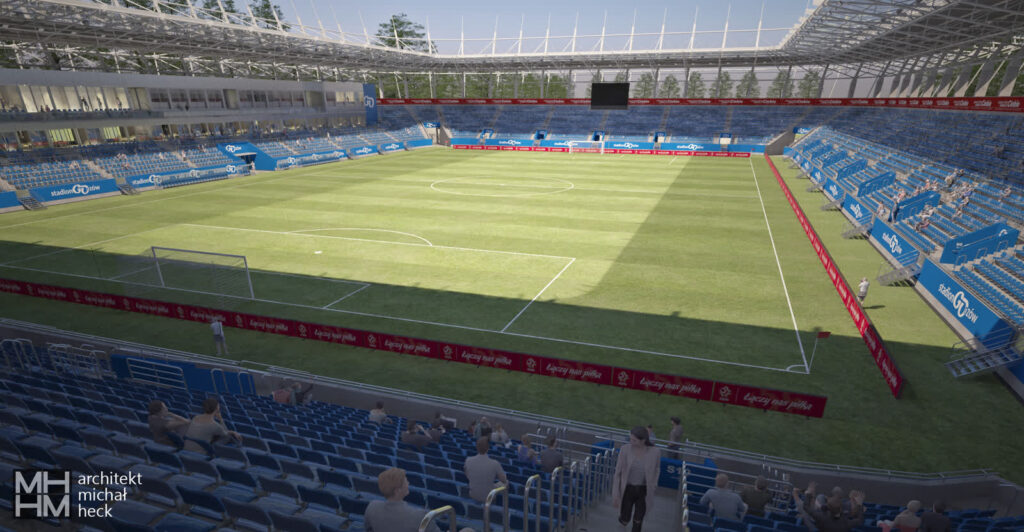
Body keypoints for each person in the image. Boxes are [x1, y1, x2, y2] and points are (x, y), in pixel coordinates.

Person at [612, 426, 661, 532]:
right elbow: (618, 473)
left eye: (634, 440)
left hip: (644, 490)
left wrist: (654, 484)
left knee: (638, 518)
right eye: (630, 439)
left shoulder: (655, 452)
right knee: (625, 518)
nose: (631, 441)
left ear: (643, 440)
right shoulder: (625, 449)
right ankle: (623, 520)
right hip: (628, 488)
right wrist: (615, 494)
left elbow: (657, 469)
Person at [364, 468, 441, 532]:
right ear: (398, 490)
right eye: (405, 481)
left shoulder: (372, 506)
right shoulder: (420, 516)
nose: (408, 483)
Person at [464, 436, 507, 503]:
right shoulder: (495, 463)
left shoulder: (468, 460)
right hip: (489, 497)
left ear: (477, 447)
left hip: (473, 494)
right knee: (506, 483)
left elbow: (467, 475)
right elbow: (503, 480)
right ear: (488, 448)